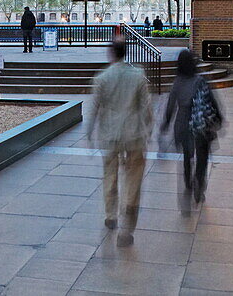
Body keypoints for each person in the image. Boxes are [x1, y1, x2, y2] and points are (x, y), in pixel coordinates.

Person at [87, 37, 153, 247]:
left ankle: (110, 215)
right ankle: (127, 230)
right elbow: (146, 108)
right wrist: (148, 130)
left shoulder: (102, 78)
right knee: (133, 181)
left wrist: (90, 132)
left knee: (110, 175)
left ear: (111, 54)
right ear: (125, 53)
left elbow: (95, 108)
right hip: (134, 135)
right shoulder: (138, 76)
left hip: (110, 135)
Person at [161, 49, 222, 212]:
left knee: (187, 158)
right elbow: (212, 101)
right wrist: (219, 118)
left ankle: (188, 184)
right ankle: (199, 185)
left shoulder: (177, 82)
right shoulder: (201, 80)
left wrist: (165, 124)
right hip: (201, 125)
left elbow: (170, 106)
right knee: (202, 158)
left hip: (183, 123)